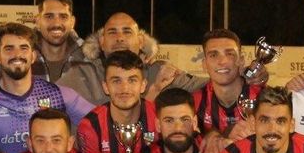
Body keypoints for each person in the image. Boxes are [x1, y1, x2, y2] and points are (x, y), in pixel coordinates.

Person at [0, 22, 91, 153]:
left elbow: (102, 123)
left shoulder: (58, 95)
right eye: (9, 49)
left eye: (24, 48)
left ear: (33, 56)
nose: (17, 54)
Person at [61, 11, 200, 105]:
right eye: (112, 32)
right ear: (102, 42)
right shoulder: (80, 75)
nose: (120, 38)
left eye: (127, 32)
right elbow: (44, 99)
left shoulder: (160, 72)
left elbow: (210, 88)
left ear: (140, 41)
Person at [77, 50, 161, 153]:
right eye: (116, 81)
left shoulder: (160, 118)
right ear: (105, 87)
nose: (124, 89)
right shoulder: (90, 126)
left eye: (132, 80)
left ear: (143, 85)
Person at [191, 29, 262, 153]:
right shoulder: (194, 102)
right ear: (204, 65)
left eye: (229, 54)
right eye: (213, 55)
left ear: (241, 61)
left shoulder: (264, 97)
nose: (222, 61)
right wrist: (211, 135)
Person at [31, 0, 86, 86]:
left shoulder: (87, 58)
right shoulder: (22, 56)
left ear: (72, 22)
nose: (56, 23)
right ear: (38, 21)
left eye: (63, 17)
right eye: (49, 16)